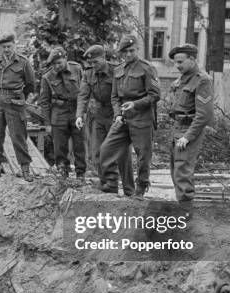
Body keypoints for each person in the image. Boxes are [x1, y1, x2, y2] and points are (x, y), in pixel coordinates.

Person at [99, 35, 160, 196]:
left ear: (137, 50)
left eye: (131, 51)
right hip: (124, 118)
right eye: (125, 52)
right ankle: (111, 184)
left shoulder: (147, 68)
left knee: (142, 156)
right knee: (106, 149)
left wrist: (135, 104)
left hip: (142, 117)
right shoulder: (118, 69)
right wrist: (118, 114)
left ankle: (140, 188)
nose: (128, 55)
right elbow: (114, 97)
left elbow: (154, 95)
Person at [75, 45, 134, 195]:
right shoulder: (88, 74)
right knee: (97, 152)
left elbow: (124, 94)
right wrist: (79, 115)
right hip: (98, 115)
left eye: (95, 62)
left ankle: (129, 189)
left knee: (122, 154)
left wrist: (121, 115)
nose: (93, 66)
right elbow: (83, 95)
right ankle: (108, 184)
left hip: (117, 115)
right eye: (90, 63)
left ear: (103, 57)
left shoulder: (117, 71)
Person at [168, 44, 214, 212]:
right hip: (177, 127)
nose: (177, 66)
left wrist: (187, 136)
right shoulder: (182, 79)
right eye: (175, 62)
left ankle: (186, 214)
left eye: (180, 61)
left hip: (188, 129)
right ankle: (182, 208)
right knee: (175, 169)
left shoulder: (202, 80)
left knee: (182, 170)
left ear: (193, 59)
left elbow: (204, 115)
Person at [0, 33, 36, 182]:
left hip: (15, 101)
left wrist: (21, 98)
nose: (6, 49)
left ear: (14, 45)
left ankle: (25, 169)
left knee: (18, 135)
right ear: (0, 48)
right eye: (4, 47)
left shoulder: (23, 62)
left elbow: (31, 84)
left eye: (9, 46)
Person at [39, 47, 86, 179]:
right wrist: (47, 123)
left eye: (59, 62)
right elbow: (44, 102)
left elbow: (85, 90)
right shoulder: (47, 77)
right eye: (54, 64)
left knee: (79, 144)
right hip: (58, 113)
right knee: (60, 146)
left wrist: (83, 112)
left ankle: (80, 173)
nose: (57, 66)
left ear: (65, 58)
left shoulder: (77, 69)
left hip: (76, 111)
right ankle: (62, 172)